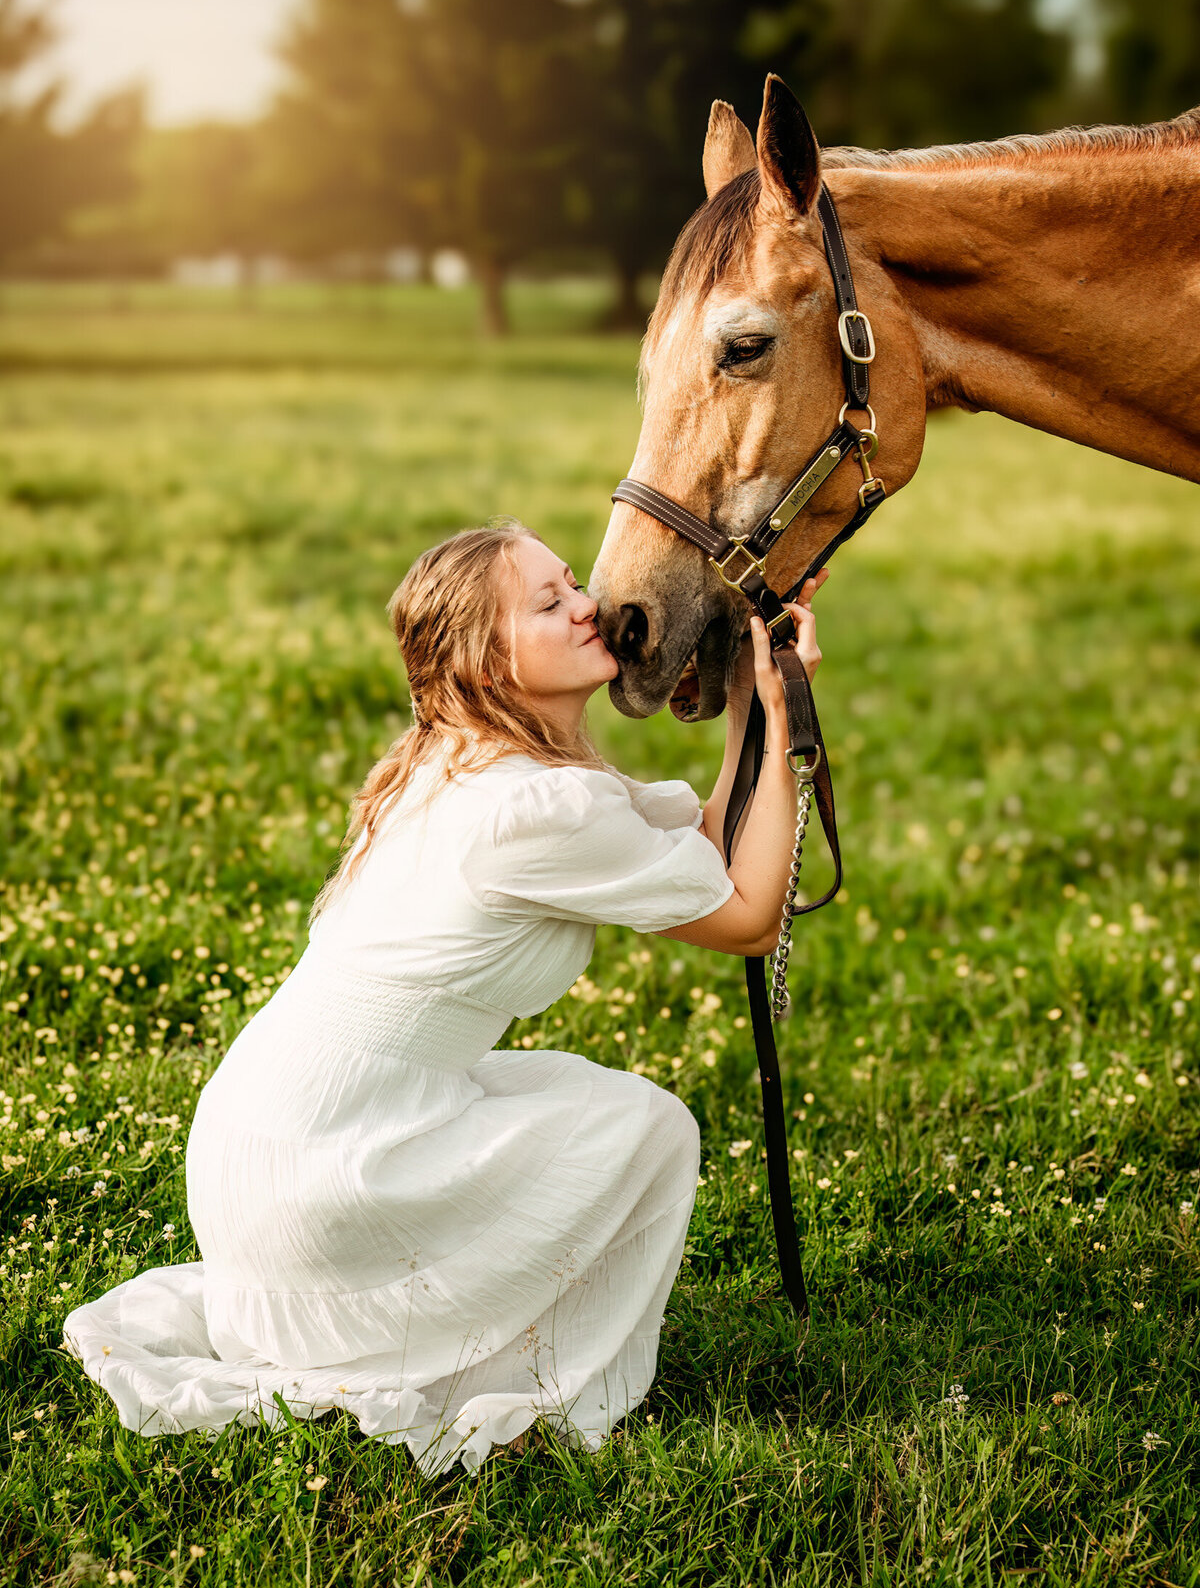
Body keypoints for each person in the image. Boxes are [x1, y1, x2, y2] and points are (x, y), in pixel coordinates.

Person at [64, 523, 824, 1480]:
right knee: (650, 1127)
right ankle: (544, 1397)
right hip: (326, 1169)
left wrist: (759, 697)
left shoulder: (456, 761)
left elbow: (705, 857)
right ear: (487, 660)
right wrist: (789, 724)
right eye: (548, 604)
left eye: (571, 583)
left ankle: (426, 1325)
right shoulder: (540, 811)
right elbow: (748, 911)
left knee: (574, 1100)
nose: (588, 605)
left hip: (259, 1143)